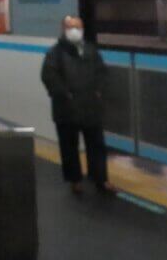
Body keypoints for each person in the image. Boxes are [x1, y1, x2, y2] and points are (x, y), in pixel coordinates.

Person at [41, 16, 116, 195]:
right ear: (64, 29)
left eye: (78, 27)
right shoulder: (55, 53)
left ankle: (100, 179)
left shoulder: (91, 50)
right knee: (69, 146)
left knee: (96, 144)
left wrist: (99, 91)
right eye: (71, 27)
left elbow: (102, 72)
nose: (75, 31)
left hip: (90, 106)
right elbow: (49, 76)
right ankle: (75, 180)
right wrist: (65, 94)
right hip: (66, 108)